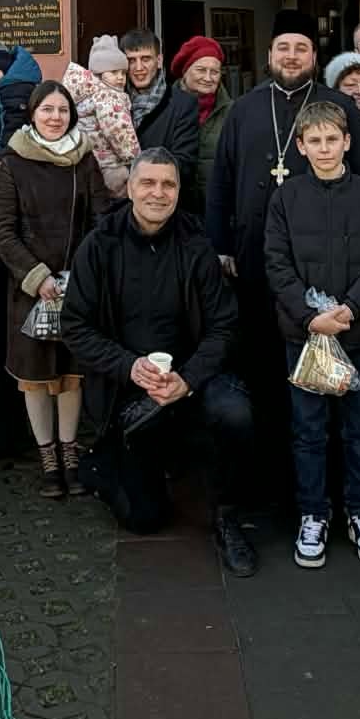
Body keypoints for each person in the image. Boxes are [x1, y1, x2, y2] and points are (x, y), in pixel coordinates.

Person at [64, 150, 258, 576]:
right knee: (143, 518)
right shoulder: (99, 245)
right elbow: (75, 326)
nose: (158, 193)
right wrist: (129, 366)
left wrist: (187, 379)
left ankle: (227, 516)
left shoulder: (196, 244)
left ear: (179, 191)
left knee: (235, 412)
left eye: (168, 184)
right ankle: (108, 464)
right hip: (128, 384)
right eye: (148, 183)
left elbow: (225, 326)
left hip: (192, 377)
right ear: (130, 188)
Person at [206, 10, 360, 497]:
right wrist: (220, 245)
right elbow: (221, 180)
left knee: (329, 373)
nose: (292, 56)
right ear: (270, 55)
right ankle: (273, 471)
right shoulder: (245, 109)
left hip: (329, 270)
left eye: (301, 48)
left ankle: (330, 475)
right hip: (257, 262)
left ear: (314, 56)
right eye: (284, 48)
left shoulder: (339, 106)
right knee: (265, 362)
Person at [266, 101, 360, 569]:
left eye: (332, 139)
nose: (324, 148)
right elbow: (276, 263)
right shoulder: (286, 198)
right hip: (305, 337)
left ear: (346, 141)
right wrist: (309, 316)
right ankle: (313, 513)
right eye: (314, 141)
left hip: (358, 333)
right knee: (308, 430)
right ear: (301, 147)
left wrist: (352, 308)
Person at [0, 82, 112, 498]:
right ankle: (48, 458)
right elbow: (2, 229)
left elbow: (101, 220)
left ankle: (70, 453)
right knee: (36, 378)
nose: (55, 117)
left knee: (71, 375)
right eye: (47, 109)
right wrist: (37, 276)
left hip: (76, 286)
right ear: (33, 114)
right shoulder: (13, 162)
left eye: (62, 110)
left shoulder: (84, 159)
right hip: (30, 289)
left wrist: (81, 275)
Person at [122, 29, 201, 181]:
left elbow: (184, 164)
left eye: (145, 59)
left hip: (162, 193)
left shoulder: (184, 105)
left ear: (159, 61)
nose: (138, 67)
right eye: (131, 60)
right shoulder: (113, 102)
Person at [64, 38, 139, 194]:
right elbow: (118, 130)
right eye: (113, 72)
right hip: (109, 166)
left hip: (88, 163)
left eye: (123, 73)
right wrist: (135, 158)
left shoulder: (86, 95)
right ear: (98, 75)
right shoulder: (108, 96)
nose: (120, 77)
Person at [171, 34, 232, 217]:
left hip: (217, 211)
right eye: (201, 70)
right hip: (172, 211)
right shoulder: (165, 107)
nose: (208, 77)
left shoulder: (232, 112)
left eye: (214, 72)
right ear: (185, 71)